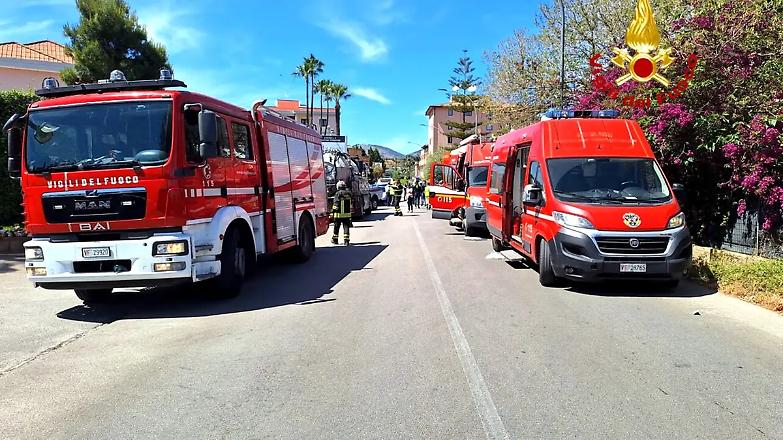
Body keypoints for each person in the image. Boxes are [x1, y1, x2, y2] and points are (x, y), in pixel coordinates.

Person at [331, 180, 352, 245]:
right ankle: (346, 241)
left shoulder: (338, 194)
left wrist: (332, 212)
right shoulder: (349, 193)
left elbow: (336, 204)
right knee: (346, 227)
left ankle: (335, 240)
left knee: (336, 227)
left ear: (338, 187)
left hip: (338, 215)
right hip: (347, 214)